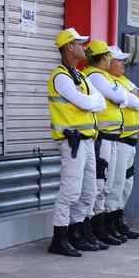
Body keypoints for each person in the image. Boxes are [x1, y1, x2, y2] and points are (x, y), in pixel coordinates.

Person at [47, 28, 106, 257]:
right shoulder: (60, 77)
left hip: (87, 141)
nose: (84, 47)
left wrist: (89, 101)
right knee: (70, 192)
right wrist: (89, 101)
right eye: (80, 44)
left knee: (89, 191)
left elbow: (97, 103)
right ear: (69, 47)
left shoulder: (79, 76)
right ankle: (59, 239)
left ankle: (77, 233)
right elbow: (86, 102)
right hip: (72, 142)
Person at [83, 40, 130, 247]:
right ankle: (93, 227)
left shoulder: (103, 76)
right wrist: (121, 97)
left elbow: (123, 97)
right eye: (109, 56)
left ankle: (100, 226)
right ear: (104, 57)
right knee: (100, 184)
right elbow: (120, 96)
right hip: (102, 138)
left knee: (108, 184)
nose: (112, 60)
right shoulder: (94, 75)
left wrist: (121, 97)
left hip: (111, 138)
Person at [103, 45, 139, 239]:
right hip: (120, 139)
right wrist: (134, 96)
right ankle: (109, 222)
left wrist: (136, 96)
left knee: (127, 183)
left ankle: (117, 219)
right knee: (116, 183)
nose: (124, 63)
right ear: (108, 62)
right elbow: (135, 101)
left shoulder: (123, 80)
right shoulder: (108, 81)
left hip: (131, 140)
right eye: (119, 60)